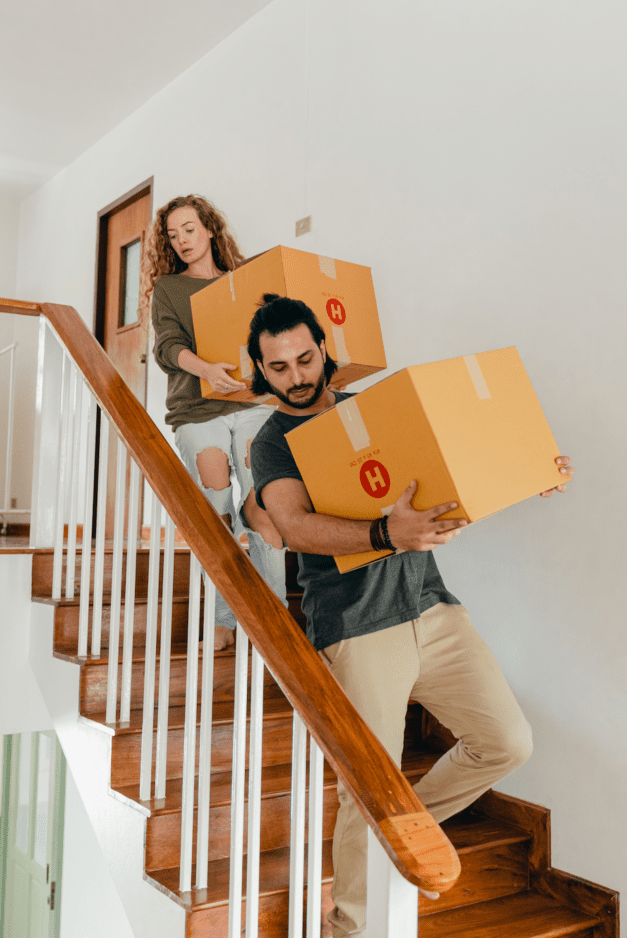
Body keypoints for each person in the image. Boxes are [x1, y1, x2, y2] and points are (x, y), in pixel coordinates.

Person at [247, 294, 573, 938]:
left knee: (508, 742)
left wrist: (526, 471)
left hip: (433, 607)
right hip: (356, 627)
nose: (297, 376)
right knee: (367, 787)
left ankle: (397, 832)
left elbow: (446, 479)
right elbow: (292, 526)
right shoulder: (273, 443)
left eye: (305, 358)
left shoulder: (373, 413)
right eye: (278, 367)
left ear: (323, 349)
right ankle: (352, 927)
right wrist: (386, 535)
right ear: (260, 369)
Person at [142, 196, 287, 649]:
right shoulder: (168, 288)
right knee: (217, 506)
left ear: (209, 229)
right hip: (197, 409)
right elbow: (167, 348)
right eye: (172, 234)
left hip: (251, 404)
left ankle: (275, 612)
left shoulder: (243, 284)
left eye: (189, 229)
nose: (182, 240)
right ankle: (225, 615)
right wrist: (207, 370)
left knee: (266, 502)